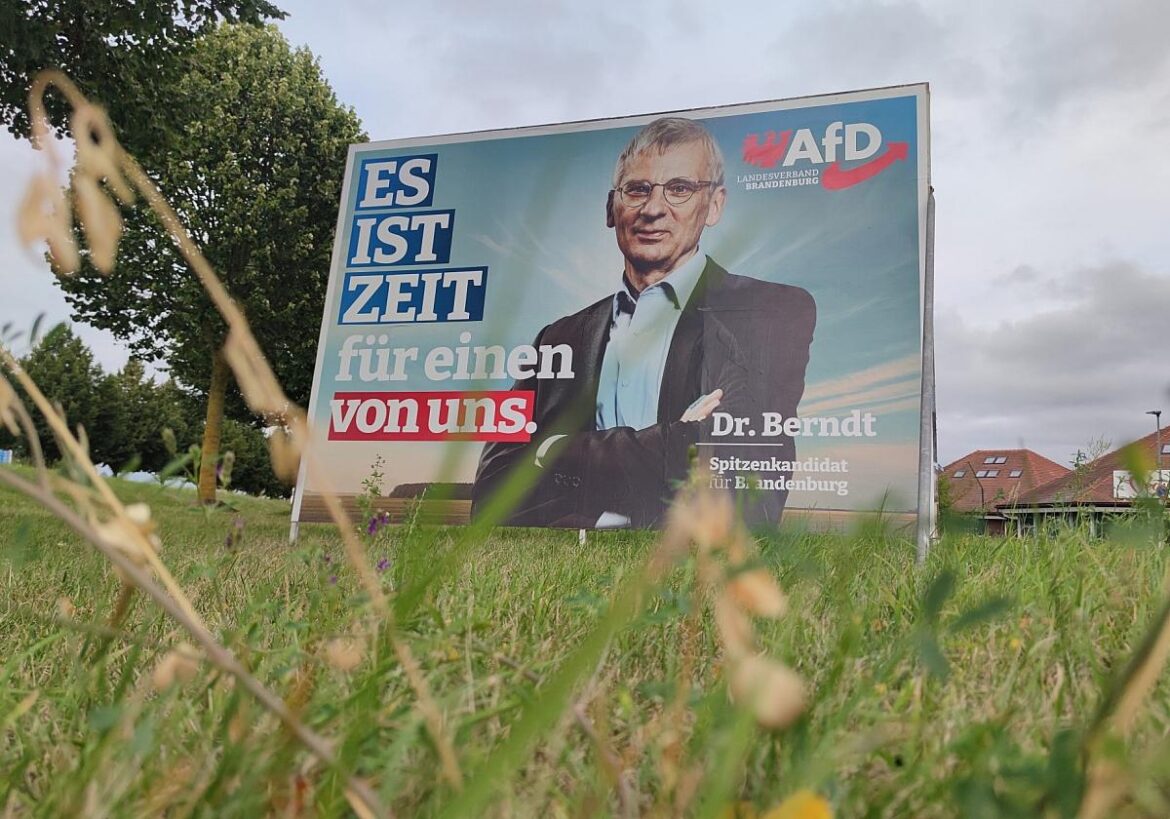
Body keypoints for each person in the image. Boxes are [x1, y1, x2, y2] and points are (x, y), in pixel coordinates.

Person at [473, 117, 816, 528]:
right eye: (637, 190)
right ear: (610, 208)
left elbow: (738, 464)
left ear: (715, 205)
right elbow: (494, 492)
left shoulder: (770, 311)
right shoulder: (557, 338)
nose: (654, 209)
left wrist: (551, 451)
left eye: (680, 189)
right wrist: (673, 440)